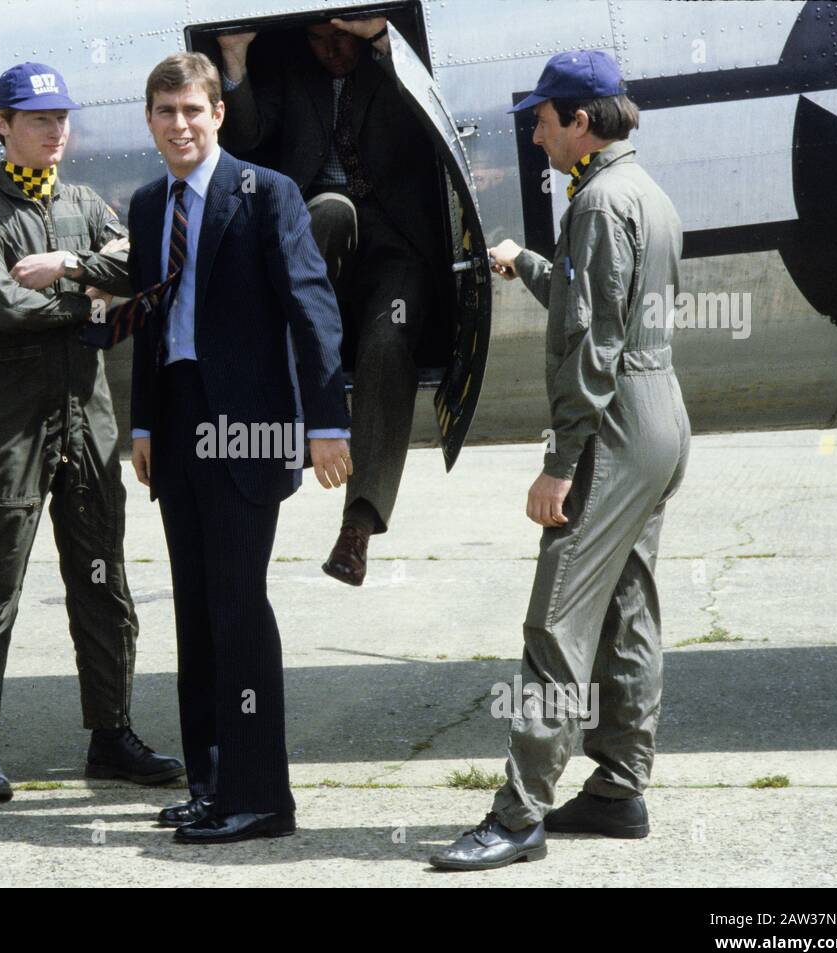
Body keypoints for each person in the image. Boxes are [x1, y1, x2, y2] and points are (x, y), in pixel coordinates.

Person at [431, 50, 690, 870]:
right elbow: (605, 309)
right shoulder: (642, 192)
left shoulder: (596, 203)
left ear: (582, 120)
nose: (536, 133)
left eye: (544, 118)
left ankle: (518, 815)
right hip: (660, 414)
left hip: (610, 426)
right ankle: (619, 787)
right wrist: (532, 265)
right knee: (628, 608)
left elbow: (589, 343)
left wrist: (561, 460)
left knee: (557, 620)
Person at [106, 51, 350, 843]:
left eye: (193, 110)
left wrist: (326, 424)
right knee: (196, 609)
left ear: (218, 114)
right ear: (150, 121)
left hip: (248, 430)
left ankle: (261, 798)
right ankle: (210, 779)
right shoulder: (148, 205)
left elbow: (311, 306)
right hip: (176, 429)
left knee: (240, 608)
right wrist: (142, 425)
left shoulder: (266, 194)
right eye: (166, 111)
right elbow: (147, 324)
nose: (180, 124)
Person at [0, 62, 183, 802]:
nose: (54, 130)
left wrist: (71, 268)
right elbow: (7, 311)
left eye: (61, 118)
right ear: (2, 125)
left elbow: (141, 269)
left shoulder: (84, 204)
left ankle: (111, 733)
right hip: (13, 425)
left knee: (103, 579)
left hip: (90, 417)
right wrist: (93, 303)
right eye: (37, 118)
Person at [216, 15, 443, 587]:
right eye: (318, 39)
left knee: (389, 344)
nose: (331, 50)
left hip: (397, 248)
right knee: (330, 210)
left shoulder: (387, 71)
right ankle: (296, 386)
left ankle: (358, 527)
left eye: (341, 37)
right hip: (322, 242)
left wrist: (382, 41)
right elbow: (243, 135)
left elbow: (427, 115)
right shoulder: (293, 75)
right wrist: (236, 59)